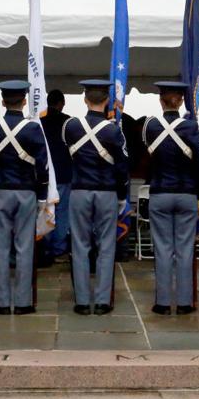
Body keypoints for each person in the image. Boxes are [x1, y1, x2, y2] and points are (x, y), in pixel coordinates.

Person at [63, 79, 130, 316]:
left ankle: (82, 301)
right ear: (107, 100)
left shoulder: (70, 126)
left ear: (85, 99)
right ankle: (102, 301)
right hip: (106, 192)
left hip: (80, 190)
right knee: (106, 246)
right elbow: (122, 167)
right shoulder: (114, 130)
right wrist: (121, 196)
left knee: (79, 246)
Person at [0, 79, 49, 315]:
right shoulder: (33, 129)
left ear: (3, 102)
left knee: (1, 248)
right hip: (26, 190)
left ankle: (1, 302)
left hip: (1, 189)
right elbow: (42, 165)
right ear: (24, 101)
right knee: (24, 247)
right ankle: (23, 302)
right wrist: (42, 194)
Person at [142, 80, 199, 315]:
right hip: (186, 193)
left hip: (160, 192)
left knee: (162, 249)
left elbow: (148, 159)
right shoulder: (191, 127)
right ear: (180, 102)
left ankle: (162, 302)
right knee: (185, 250)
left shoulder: (150, 127)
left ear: (161, 101)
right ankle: (184, 303)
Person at [42, 89, 73, 260]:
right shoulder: (68, 122)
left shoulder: (39, 121)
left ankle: (45, 247)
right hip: (63, 173)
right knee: (62, 212)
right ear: (62, 103)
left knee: (46, 211)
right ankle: (59, 248)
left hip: (45, 174)